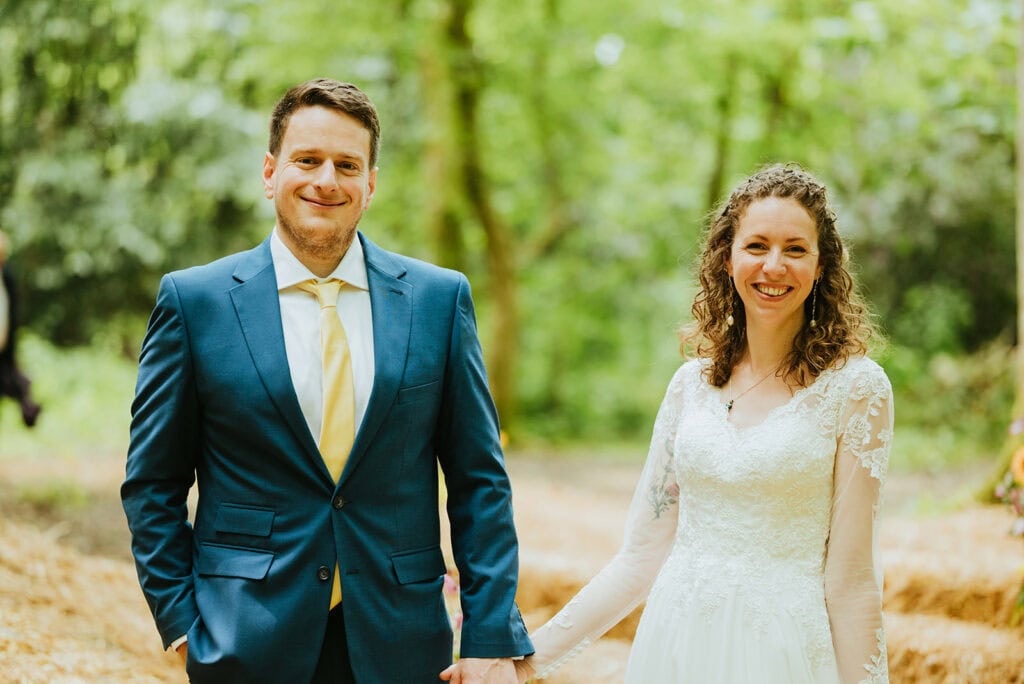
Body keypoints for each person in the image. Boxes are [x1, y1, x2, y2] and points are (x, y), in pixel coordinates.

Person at [122, 78, 532, 683]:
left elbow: (480, 481)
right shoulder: (195, 302)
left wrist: (488, 632)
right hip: (243, 639)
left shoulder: (440, 300)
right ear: (270, 172)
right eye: (307, 160)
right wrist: (184, 625)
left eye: (347, 164)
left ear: (370, 183)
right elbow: (152, 483)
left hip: (400, 639)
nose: (326, 180)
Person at [514, 164, 893, 683]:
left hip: (782, 653)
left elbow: (852, 582)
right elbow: (640, 558)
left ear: (822, 265)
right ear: (728, 258)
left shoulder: (858, 390)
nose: (774, 266)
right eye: (756, 245)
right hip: (676, 644)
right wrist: (526, 661)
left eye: (795, 249)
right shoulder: (690, 386)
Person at [0, 230, 42, 428]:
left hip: (3, 354)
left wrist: (13, 356)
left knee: (18, 387)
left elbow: (12, 319)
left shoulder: (7, 278)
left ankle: (29, 410)